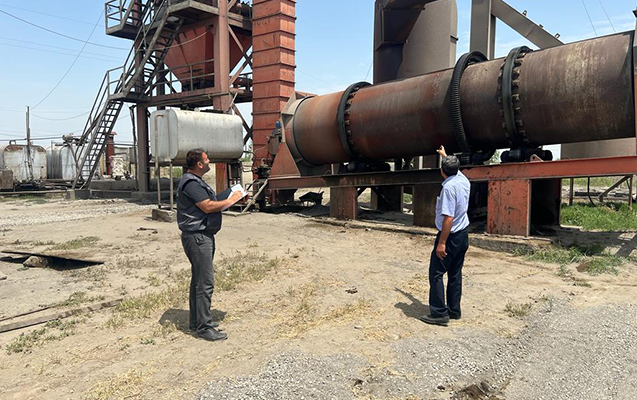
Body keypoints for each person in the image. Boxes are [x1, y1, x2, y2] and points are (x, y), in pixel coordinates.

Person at [177, 148, 244, 341]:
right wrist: (231, 200)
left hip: (201, 235)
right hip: (198, 237)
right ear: (199, 164)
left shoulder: (196, 181)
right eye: (206, 159)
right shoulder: (191, 183)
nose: (209, 162)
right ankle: (204, 328)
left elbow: (211, 201)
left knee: (198, 281)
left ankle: (197, 322)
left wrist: (232, 196)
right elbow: (207, 206)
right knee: (205, 283)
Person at [419, 145, 470, 326]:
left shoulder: (448, 188)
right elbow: (453, 169)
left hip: (450, 237)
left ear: (442, 171)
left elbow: (449, 218)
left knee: (436, 273)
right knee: (455, 273)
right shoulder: (463, 180)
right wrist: (445, 155)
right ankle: (454, 310)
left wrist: (442, 243)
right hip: (463, 235)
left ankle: (439, 313)